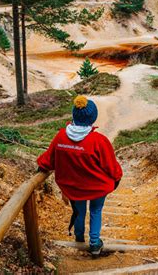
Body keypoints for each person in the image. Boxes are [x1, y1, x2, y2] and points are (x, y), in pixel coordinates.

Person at [37, 95, 123, 256]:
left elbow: (48, 160)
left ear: (74, 115)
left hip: (73, 187)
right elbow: (111, 167)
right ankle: (95, 243)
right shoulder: (99, 141)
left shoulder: (61, 137)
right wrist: (117, 178)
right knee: (96, 211)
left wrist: (40, 167)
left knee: (79, 211)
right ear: (93, 118)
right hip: (97, 187)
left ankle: (78, 237)